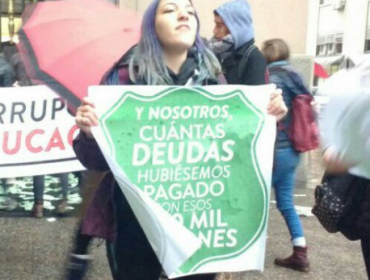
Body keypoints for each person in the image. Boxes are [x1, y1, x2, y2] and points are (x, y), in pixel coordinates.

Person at [74, 0, 287, 279]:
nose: (183, 13)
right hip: (134, 221)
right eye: (170, 9)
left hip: (199, 220)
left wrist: (268, 118)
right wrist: (90, 133)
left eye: (189, 10)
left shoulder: (214, 81)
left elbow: (235, 157)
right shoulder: (122, 78)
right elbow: (95, 161)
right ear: (152, 24)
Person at [261, 38, 310, 272]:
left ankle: (242, 253)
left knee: (254, 202)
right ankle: (300, 252)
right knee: (286, 203)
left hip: (273, 151)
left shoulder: (270, 77)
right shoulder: (295, 75)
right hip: (292, 150)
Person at [209, 0, 267, 86]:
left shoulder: (253, 58)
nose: (214, 31)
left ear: (236, 29)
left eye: (219, 26)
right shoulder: (212, 53)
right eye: (215, 24)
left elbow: (255, 97)